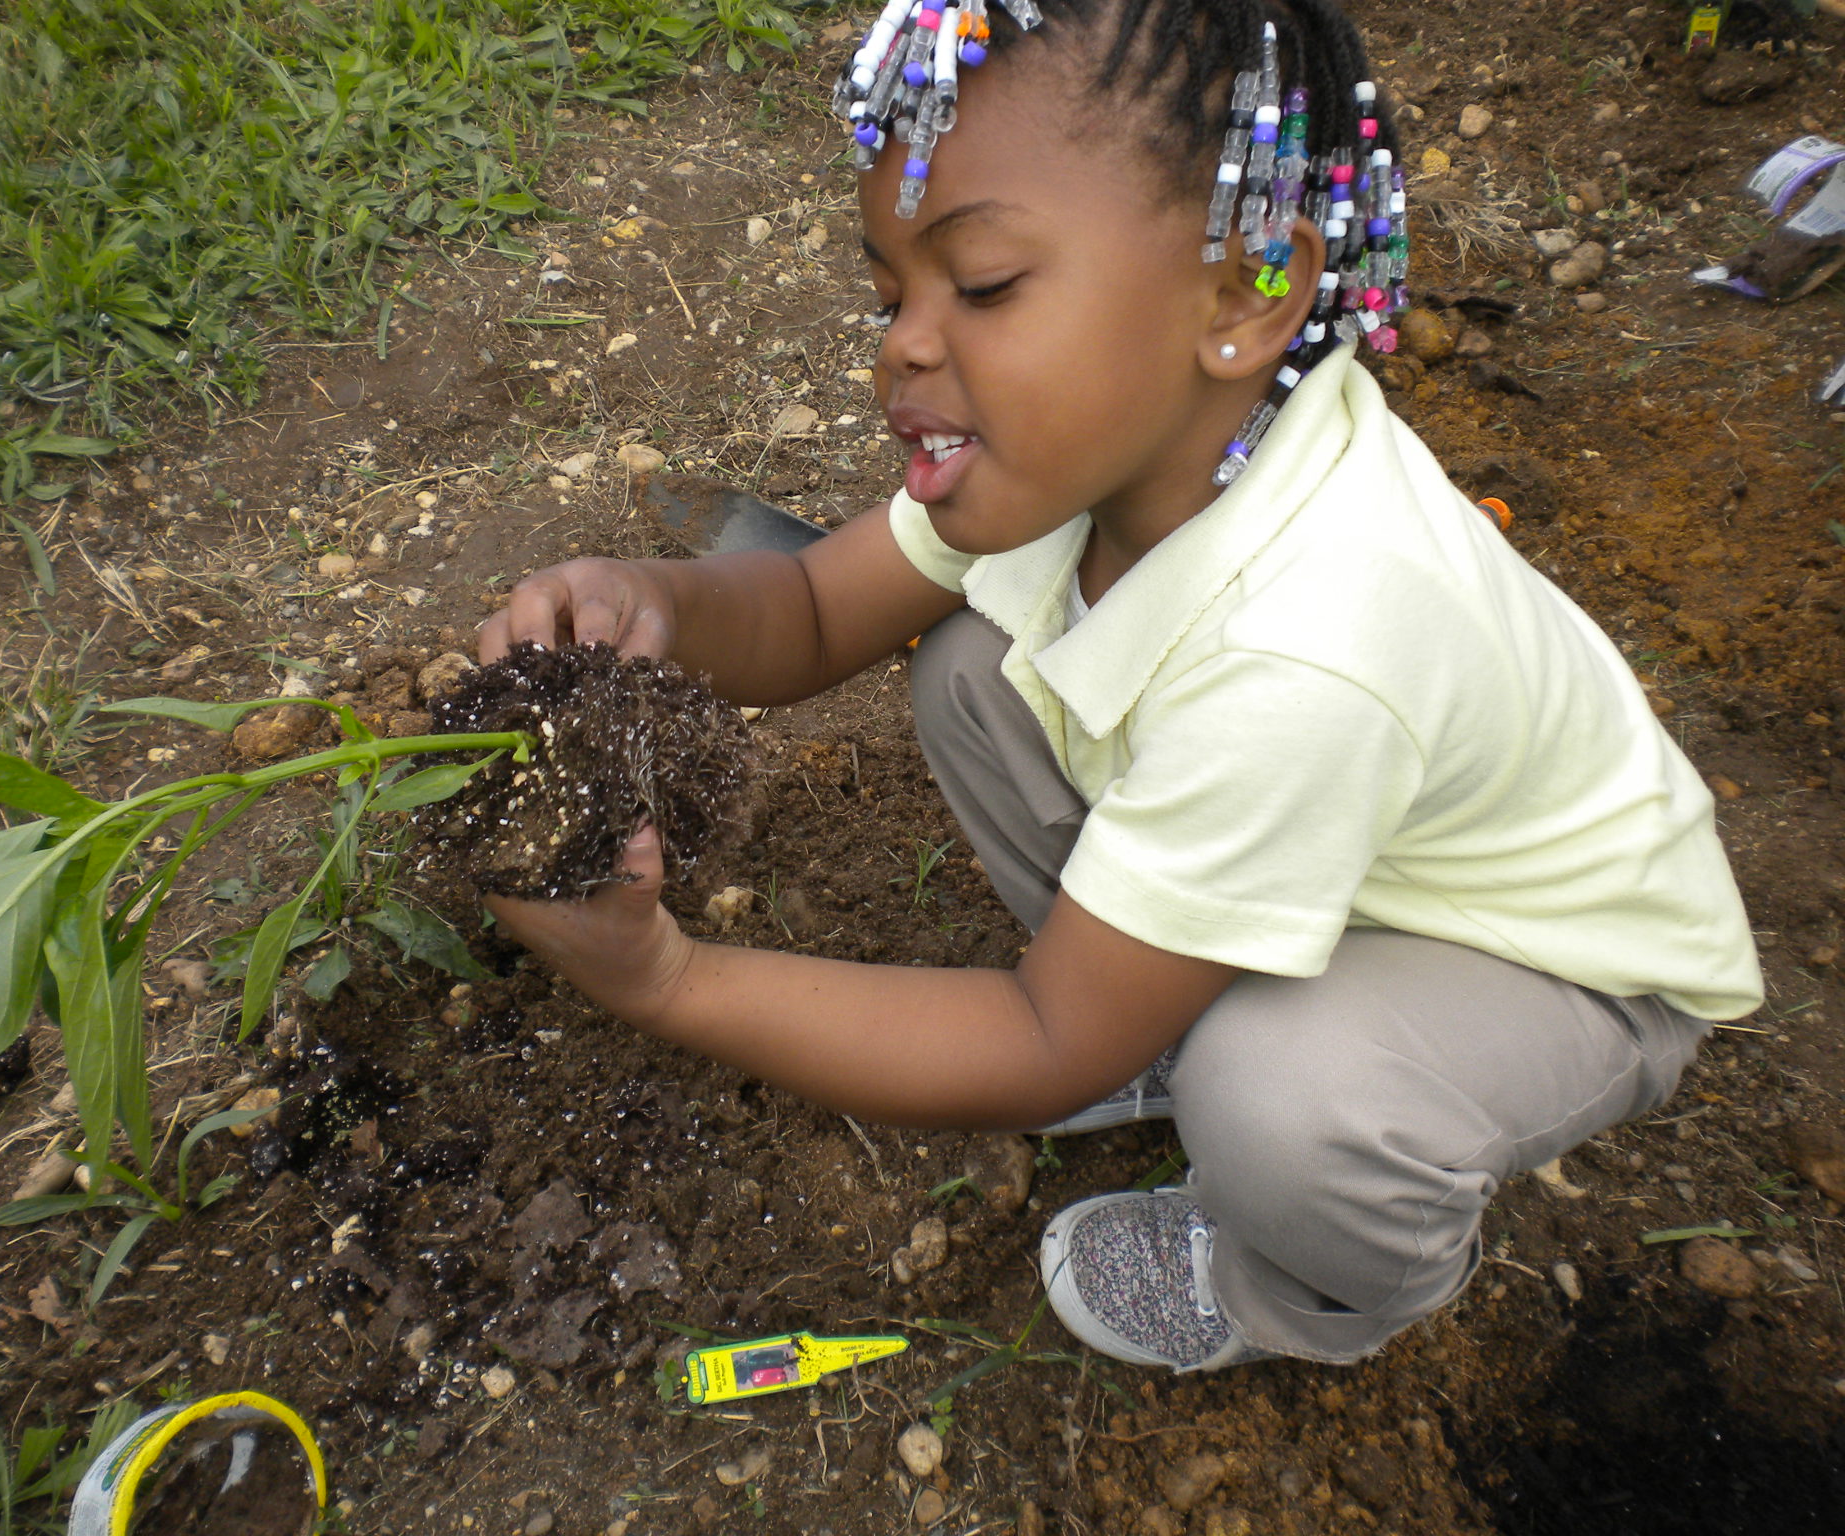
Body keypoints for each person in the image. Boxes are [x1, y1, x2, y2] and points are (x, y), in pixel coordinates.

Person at [475, 0, 1763, 1373]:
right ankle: (1161, 1015)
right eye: (889, 291)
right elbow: (803, 603)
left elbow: (1038, 1039)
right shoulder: (1102, 451)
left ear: (1243, 297)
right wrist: (650, 602)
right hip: (1345, 855)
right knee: (979, 671)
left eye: (978, 286)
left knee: (1286, 1100)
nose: (903, 345)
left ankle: (1314, 1295)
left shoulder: (1312, 645)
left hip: (1557, 969)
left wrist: (666, 979)